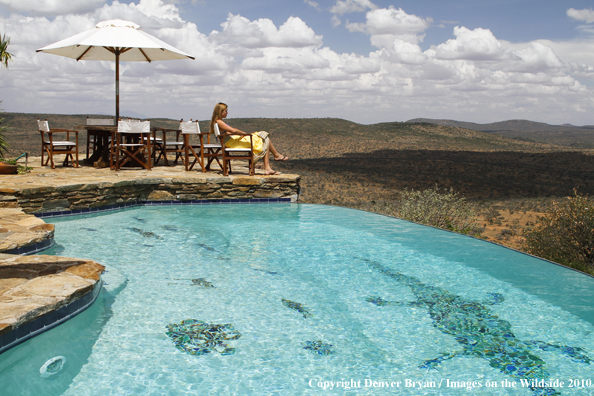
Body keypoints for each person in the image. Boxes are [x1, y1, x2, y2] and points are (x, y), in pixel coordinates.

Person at [210, 102, 288, 175]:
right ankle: (274, 159)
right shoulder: (219, 122)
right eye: (226, 111)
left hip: (232, 140)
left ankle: (271, 163)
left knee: (263, 136)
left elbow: (229, 132)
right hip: (233, 143)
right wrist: (244, 134)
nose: (227, 113)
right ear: (221, 111)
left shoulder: (218, 121)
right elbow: (233, 130)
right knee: (263, 137)